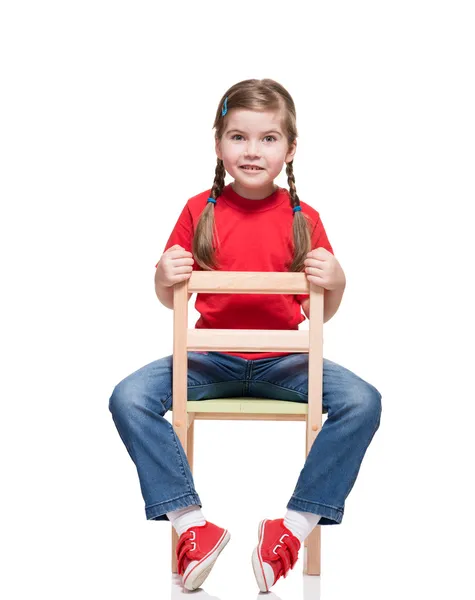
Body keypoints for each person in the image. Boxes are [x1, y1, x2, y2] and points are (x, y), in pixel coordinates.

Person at [108, 78, 382, 592]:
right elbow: (172, 297)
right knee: (129, 397)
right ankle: (192, 524)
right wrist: (163, 274)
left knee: (363, 401)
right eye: (238, 137)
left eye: (268, 139)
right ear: (218, 144)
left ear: (290, 149)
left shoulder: (305, 220)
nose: (252, 151)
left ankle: (292, 529)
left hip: (286, 360)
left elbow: (319, 313)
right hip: (210, 355)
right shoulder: (199, 211)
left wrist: (337, 281)